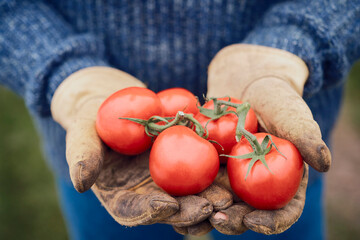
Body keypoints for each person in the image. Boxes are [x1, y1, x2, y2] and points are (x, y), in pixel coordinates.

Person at [1, 0, 359, 239]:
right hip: (107, 166)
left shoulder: (233, 139)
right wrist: (67, 76)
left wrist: (292, 44)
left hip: (280, 142)